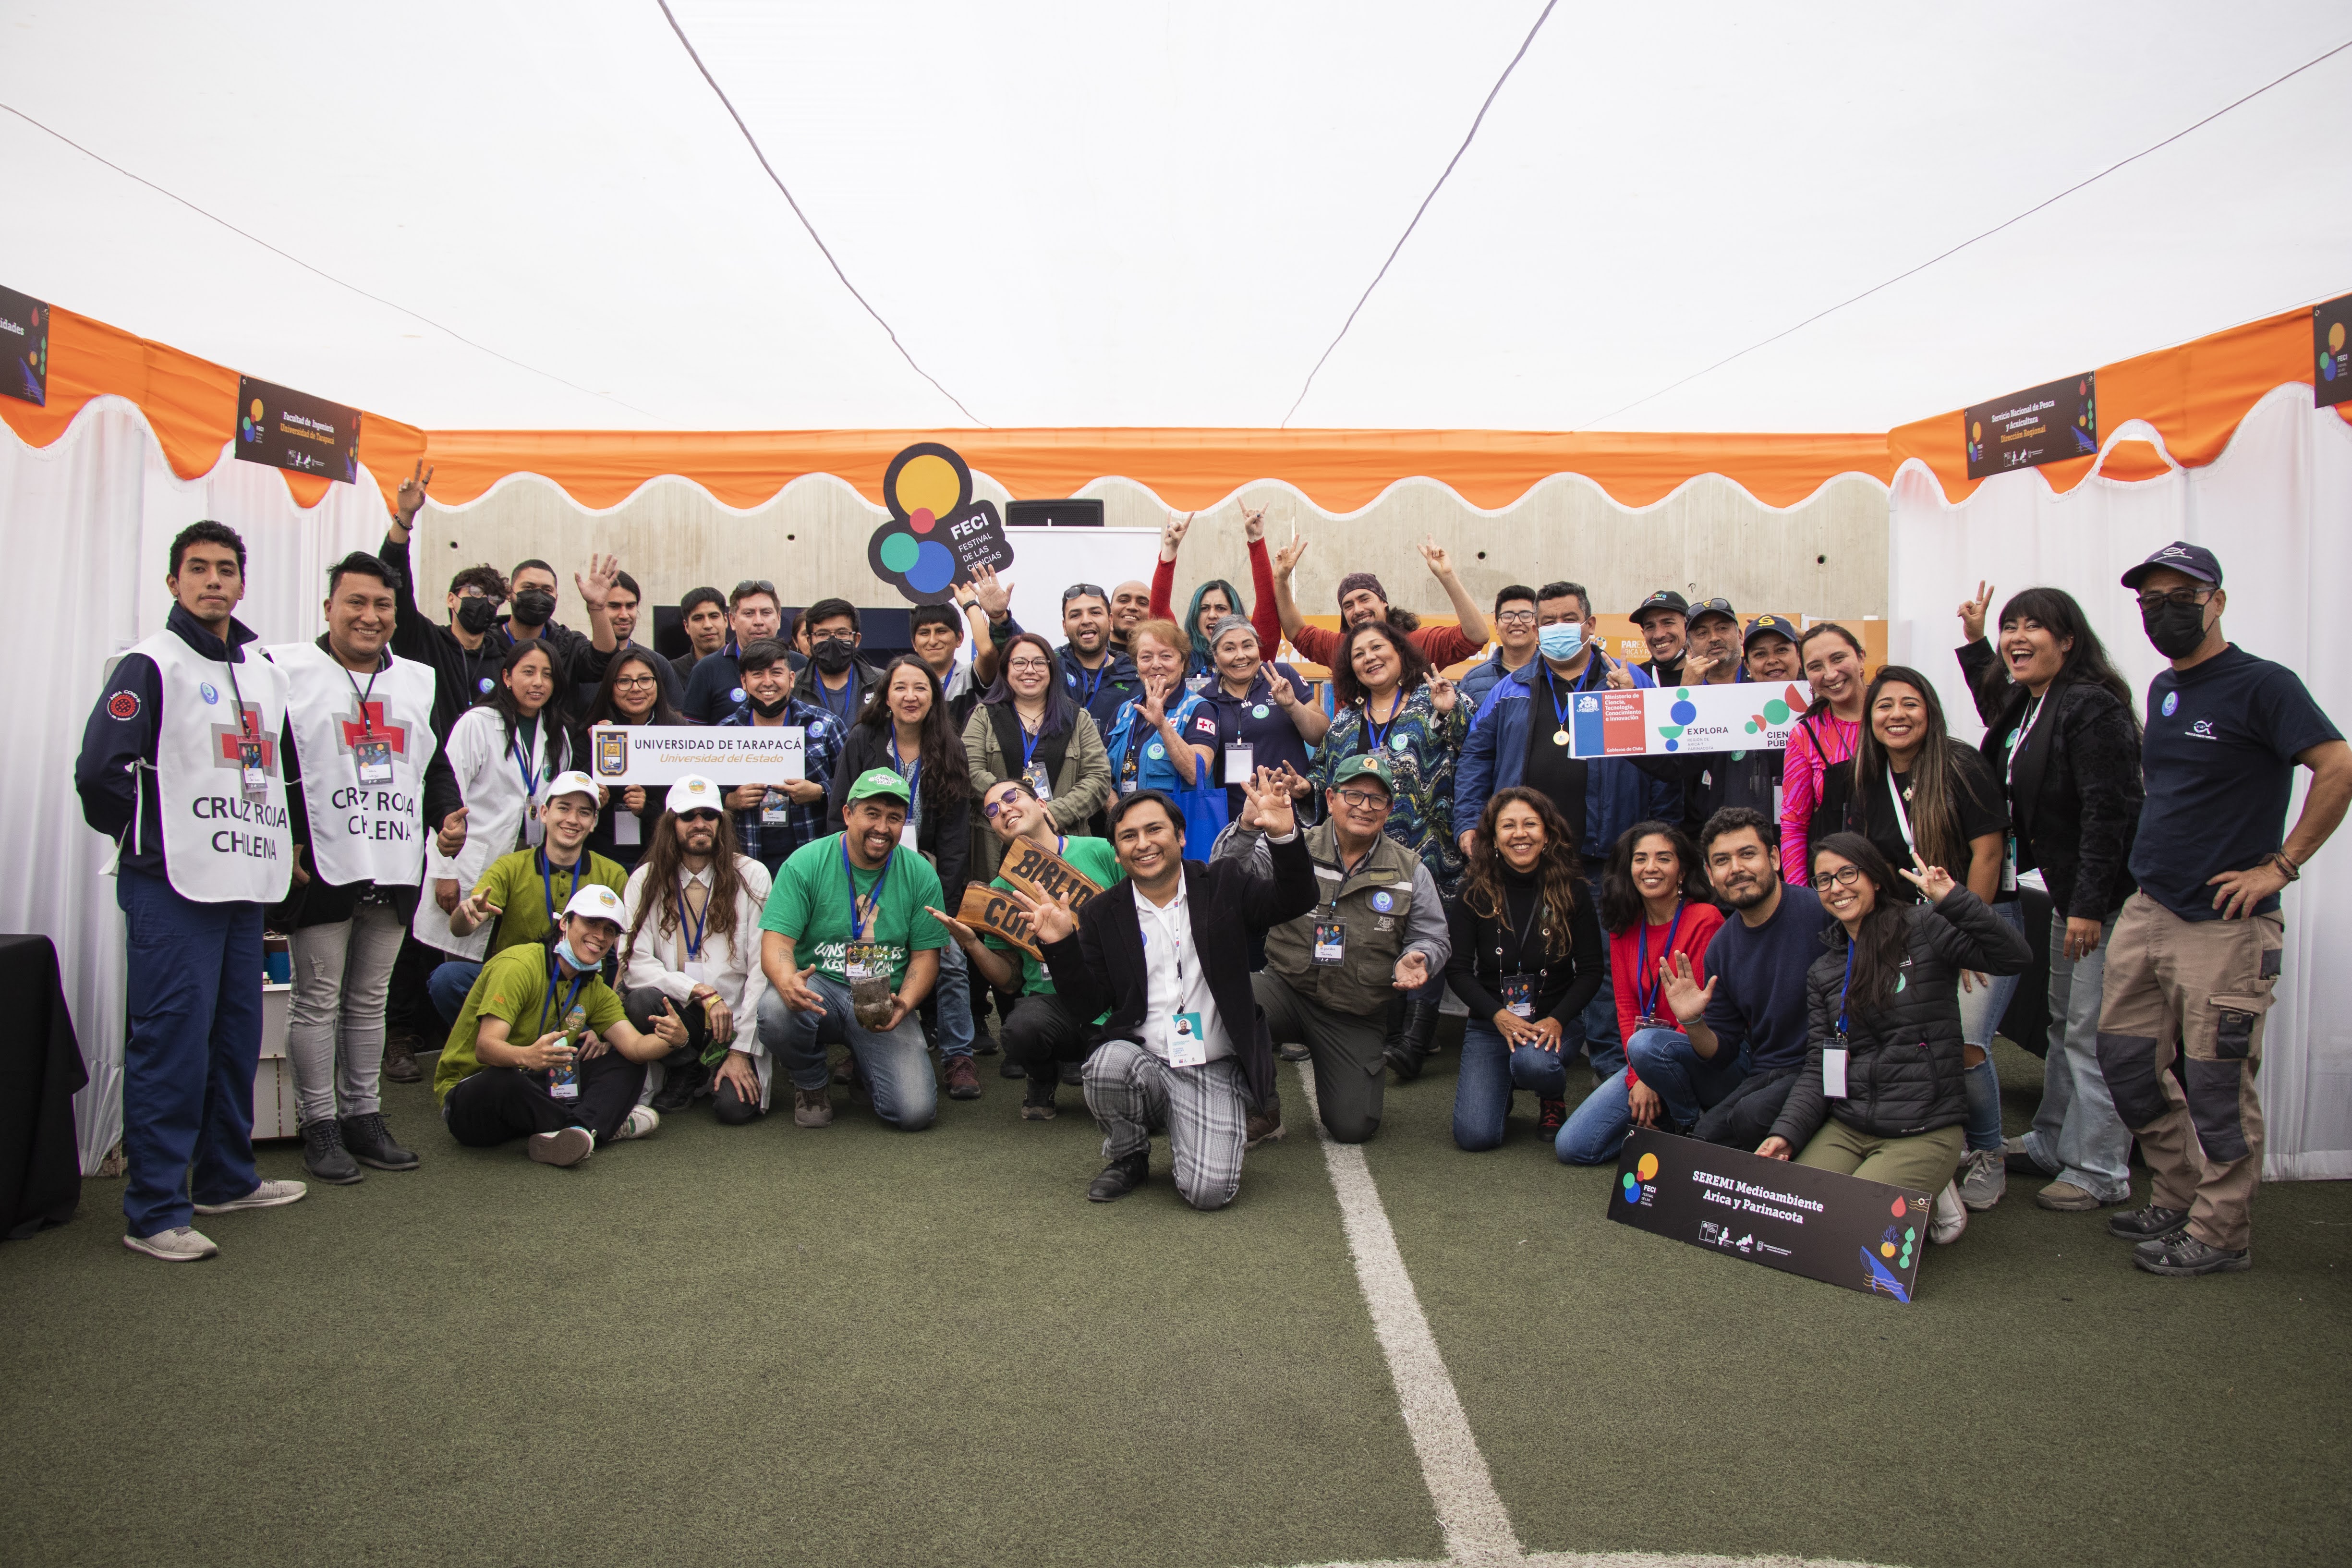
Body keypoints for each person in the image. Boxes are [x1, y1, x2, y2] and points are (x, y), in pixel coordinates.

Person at [2096, 542, 2349, 1276]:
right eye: (2150, 601)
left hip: (2224, 925)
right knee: (2125, 1062)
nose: (2163, 611)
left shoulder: (2264, 686)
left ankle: (2219, 1231)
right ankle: (2175, 1194)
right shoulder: (2161, 689)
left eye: (2181, 596)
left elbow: (2336, 765)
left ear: (2217, 601)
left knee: (2215, 1084)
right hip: (2149, 908)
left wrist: (2281, 865)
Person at [77, 519, 305, 1261]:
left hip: (243, 887)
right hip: (172, 887)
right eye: (198, 568)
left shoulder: (264, 670)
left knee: (234, 1040)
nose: (214, 581)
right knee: (171, 1045)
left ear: (243, 581)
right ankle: (153, 1210)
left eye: (227, 569)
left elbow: (276, 774)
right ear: (174, 581)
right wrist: (156, 844)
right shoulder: (151, 663)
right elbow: (100, 775)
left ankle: (226, 1178)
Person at [1019, 776, 1318, 1208]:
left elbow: (1296, 898)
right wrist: (1060, 945)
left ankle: (1193, 1123)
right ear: (1118, 853)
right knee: (1105, 1064)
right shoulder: (1102, 912)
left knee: (1209, 1193)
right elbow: (1089, 1005)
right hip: (1145, 1058)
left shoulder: (1223, 882)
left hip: (1212, 1065)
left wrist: (1284, 836)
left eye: (1154, 829)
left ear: (1179, 836)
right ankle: (1130, 1155)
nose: (1143, 843)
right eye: (1128, 836)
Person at [271, 551, 463, 1185]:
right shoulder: (288, 670)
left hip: (391, 856)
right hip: (323, 861)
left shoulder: (414, 679)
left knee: (369, 997)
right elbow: (266, 759)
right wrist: (288, 836)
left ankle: (364, 1115)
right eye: (356, 602)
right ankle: (319, 1123)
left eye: (382, 605)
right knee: (317, 998)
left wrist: (446, 814)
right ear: (329, 607)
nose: (369, 616)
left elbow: (432, 761)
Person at [1953, 583, 2145, 1213]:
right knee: (2064, 1025)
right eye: (2012, 627)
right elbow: (1998, 717)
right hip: (2069, 894)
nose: (2017, 638)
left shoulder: (2091, 708)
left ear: (2068, 639)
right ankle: (2051, 1140)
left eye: (2032, 627)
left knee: (2091, 1034)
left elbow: (2108, 815)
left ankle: (2099, 1170)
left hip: (2102, 900)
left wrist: (2088, 905)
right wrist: (1975, 639)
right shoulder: (2036, 700)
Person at [1453, 580, 1676, 1089]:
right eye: (1546, 620)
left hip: (1607, 856)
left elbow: (1665, 765)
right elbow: (1475, 758)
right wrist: (1468, 823)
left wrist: (1658, 836)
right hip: (1526, 859)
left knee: (1605, 973)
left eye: (1566, 618)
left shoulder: (1626, 678)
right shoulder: (1509, 687)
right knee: (1534, 956)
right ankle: (1541, 1060)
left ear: (1590, 624)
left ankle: (1614, 1079)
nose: (1555, 629)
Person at [1759, 834, 2032, 1245]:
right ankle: (1929, 1190)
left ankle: (1935, 1187)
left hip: (1923, 1126)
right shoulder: (1825, 970)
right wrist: (1786, 1133)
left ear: (1875, 878)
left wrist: (1954, 899)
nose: (1837, 887)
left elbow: (2014, 956)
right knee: (1793, 1216)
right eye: (1824, 880)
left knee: (1854, 1233)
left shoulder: (1924, 928)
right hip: (1849, 1125)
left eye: (1847, 873)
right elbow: (1819, 1066)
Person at [1847, 665, 2015, 1210]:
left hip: (1975, 921)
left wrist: (1968, 926)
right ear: (1869, 718)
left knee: (1964, 1046)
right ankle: (1943, 1145)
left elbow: (1988, 853)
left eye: (1909, 703)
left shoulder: (1961, 765)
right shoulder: (1867, 778)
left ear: (1930, 710)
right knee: (1915, 1044)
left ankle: (1990, 1151)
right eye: (1884, 706)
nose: (1896, 715)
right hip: (1908, 933)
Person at [1221, 754, 1449, 1144]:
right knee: (1223, 1004)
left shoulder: (1412, 870)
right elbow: (1224, 881)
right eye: (1353, 794)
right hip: (1286, 988)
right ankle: (1263, 1106)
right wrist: (1245, 827)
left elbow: (1433, 935)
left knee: (1353, 1127)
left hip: (1355, 1011)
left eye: (1377, 799)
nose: (1364, 806)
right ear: (1330, 797)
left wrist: (1420, 956)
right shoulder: (1292, 845)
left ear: (1390, 809)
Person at [434, 884, 683, 1165]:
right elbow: (485, 1048)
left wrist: (675, 1039)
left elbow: (636, 1047)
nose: (600, 937)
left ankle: (574, 1134)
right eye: (591, 923)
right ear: (565, 923)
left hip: (537, 1090)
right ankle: (595, 1128)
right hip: (475, 1099)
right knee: (504, 1079)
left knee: (624, 1060)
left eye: (610, 930)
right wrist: (527, 1055)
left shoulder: (594, 986)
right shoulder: (520, 965)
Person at [757, 768, 948, 1131]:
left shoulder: (920, 873)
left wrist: (905, 1002)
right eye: (872, 814)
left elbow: (926, 956)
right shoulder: (806, 862)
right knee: (775, 1009)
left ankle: (865, 1066)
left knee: (914, 1113)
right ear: (848, 814)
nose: (882, 827)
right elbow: (777, 941)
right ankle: (811, 1082)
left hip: (881, 992)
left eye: (894, 818)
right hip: (820, 987)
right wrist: (786, 980)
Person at [1315, 619, 1467, 1079]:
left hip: (1430, 846)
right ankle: (1390, 1034)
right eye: (1358, 653)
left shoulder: (1433, 698)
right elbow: (1324, 776)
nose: (1369, 658)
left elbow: (1474, 747)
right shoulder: (1344, 719)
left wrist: (1452, 711)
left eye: (1378, 648)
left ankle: (1416, 1042)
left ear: (1401, 652)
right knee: (1380, 932)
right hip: (1366, 854)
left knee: (1425, 933)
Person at [925, 778, 1124, 1119]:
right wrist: (973, 944)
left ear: (1043, 805)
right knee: (1019, 1031)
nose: (1003, 809)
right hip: (1053, 1007)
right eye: (992, 810)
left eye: (1010, 797)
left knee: (1121, 1094)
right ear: (996, 832)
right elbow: (1008, 981)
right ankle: (1043, 1076)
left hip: (1116, 1000)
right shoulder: (1000, 890)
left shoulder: (1100, 852)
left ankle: (1100, 1061)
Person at [829, 655, 980, 1097]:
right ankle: (863, 1046)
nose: (910, 696)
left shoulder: (950, 747)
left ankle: (958, 1055)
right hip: (868, 873)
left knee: (949, 957)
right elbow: (840, 812)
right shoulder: (862, 740)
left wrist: (948, 907)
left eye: (921, 688)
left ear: (934, 697)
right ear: (886, 695)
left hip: (924, 877)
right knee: (866, 952)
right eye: (901, 687)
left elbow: (955, 839)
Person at [1556, 821, 1725, 1165]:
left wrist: (1650, 1071)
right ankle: (1663, 1120)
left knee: (1649, 1047)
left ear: (1682, 871)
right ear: (1628, 868)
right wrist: (1638, 1077)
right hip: (1645, 1055)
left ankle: (1692, 1128)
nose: (1650, 867)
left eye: (1664, 858)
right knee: (1573, 1146)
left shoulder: (1705, 918)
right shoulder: (1624, 924)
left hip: (1696, 1050)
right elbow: (1625, 1005)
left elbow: (1703, 1011)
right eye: (1640, 859)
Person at [1445, 789, 1605, 1151]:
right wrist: (1498, 1015)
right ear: (1494, 838)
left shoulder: (1572, 889)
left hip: (1551, 1024)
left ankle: (1552, 1096)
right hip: (1492, 1025)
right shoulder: (1473, 889)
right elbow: (1457, 970)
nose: (1521, 834)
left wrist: (1559, 1019)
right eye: (1509, 825)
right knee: (1476, 1137)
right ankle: (1504, 1084)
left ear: (1547, 833)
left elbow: (1592, 970)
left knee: (1534, 1063)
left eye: (1530, 824)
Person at [1676, 807, 1836, 1150]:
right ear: (1709, 873)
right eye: (1722, 861)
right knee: (1704, 1138)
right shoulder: (1721, 948)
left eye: (1747, 854)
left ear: (1775, 857)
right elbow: (1721, 1053)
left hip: (1831, 1066)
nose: (1736, 869)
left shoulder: (1823, 912)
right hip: (1768, 1073)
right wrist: (1692, 1020)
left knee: (1751, 1116)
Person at [415, 639, 574, 978]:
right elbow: (446, 798)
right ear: (506, 676)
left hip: (528, 869)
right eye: (528, 672)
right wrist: (444, 871)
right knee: (464, 967)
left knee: (515, 968)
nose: (538, 683)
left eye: (547, 675)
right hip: (474, 862)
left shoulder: (557, 733)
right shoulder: (478, 724)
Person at [618, 776, 774, 1117]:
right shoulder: (645, 879)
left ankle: (723, 1063)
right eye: (689, 815)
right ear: (671, 823)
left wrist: (741, 1051)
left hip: (732, 1021)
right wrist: (699, 991)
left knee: (736, 1110)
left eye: (710, 814)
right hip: (679, 1013)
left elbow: (763, 967)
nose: (700, 823)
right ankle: (684, 1065)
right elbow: (634, 962)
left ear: (722, 822)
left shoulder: (752, 875)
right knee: (642, 999)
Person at [431, 770, 629, 1021]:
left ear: (594, 823)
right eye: (564, 808)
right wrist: (466, 913)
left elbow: (626, 953)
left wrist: (611, 1017)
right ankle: (493, 1047)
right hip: (515, 984)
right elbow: (460, 929)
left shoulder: (613, 874)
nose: (573, 820)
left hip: (579, 995)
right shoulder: (510, 866)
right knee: (448, 979)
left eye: (584, 813)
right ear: (545, 813)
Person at [962, 630, 1113, 882]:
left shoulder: (1078, 718)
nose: (1029, 670)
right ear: (1006, 670)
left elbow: (1098, 779)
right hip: (997, 845)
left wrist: (1051, 813)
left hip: (1066, 839)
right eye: (1019, 662)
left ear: (1052, 670)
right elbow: (969, 770)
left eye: (1039, 662)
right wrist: (1013, 806)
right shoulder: (985, 716)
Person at [378, 462, 510, 740]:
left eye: (493, 599)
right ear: (452, 599)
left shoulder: (504, 658)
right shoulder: (424, 642)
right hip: (435, 770)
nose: (484, 603)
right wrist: (405, 517)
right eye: (474, 593)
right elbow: (394, 580)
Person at [1271, 534, 1491, 674]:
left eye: (1365, 599)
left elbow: (1476, 636)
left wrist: (1447, 576)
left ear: (1384, 602)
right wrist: (1280, 581)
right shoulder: (1340, 648)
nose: (1358, 610)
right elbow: (1297, 632)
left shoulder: (1417, 644)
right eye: (1348, 605)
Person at [718, 638, 845, 876]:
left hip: (813, 860)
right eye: (757, 674)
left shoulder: (825, 725)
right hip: (746, 862)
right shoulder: (725, 732)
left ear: (792, 678)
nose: (768, 682)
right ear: (744, 682)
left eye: (776, 672)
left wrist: (819, 792)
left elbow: (855, 783)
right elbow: (704, 791)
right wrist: (730, 801)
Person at [973, 572, 1140, 734]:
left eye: (1095, 613)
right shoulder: (1051, 665)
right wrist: (999, 617)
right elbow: (1021, 649)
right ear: (1065, 627)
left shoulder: (1135, 676)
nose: (1086, 620)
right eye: (1075, 615)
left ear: (1110, 621)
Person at [1197, 613, 1326, 822]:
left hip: (1291, 812)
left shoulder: (1281, 676)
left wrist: (1292, 706)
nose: (1241, 656)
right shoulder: (1204, 700)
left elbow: (1321, 736)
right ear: (1215, 654)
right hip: (1236, 821)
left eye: (1248, 646)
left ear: (1258, 647)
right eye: (1229, 649)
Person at [1681, 610, 1799, 838]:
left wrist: (1813, 637)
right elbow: (1676, 763)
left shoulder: (1817, 706)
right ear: (1749, 665)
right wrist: (1685, 696)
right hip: (1742, 843)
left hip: (1802, 838)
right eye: (1760, 654)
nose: (1772, 660)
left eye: (1782, 650)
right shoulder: (1722, 710)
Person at [1104, 618, 1225, 828]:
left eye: (1166, 656)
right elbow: (1100, 775)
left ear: (1182, 662)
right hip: (1130, 829)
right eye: (1146, 657)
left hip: (1180, 830)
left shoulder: (1199, 709)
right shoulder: (1124, 711)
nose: (1156, 664)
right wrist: (1120, 816)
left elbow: (1196, 772)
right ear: (1137, 665)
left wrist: (1162, 724)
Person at [1148, 507, 1281, 685]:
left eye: (1221, 608)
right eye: (1204, 609)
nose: (1212, 615)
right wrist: (1170, 550)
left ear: (1235, 614)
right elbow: (1158, 616)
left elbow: (1267, 605)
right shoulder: (1179, 657)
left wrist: (1256, 540)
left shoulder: (1252, 653)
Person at [579, 646, 684, 872]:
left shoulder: (678, 732)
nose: (636, 689)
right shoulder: (592, 730)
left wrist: (648, 808)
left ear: (658, 684)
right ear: (610, 687)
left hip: (660, 855)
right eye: (624, 681)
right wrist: (594, 789)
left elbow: (688, 799)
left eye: (645, 680)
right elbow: (573, 791)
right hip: (602, 854)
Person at [1781, 622, 1868, 883]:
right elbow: (1795, 823)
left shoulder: (1893, 717)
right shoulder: (1806, 735)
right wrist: (1801, 895)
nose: (1830, 674)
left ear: (1861, 657)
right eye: (1816, 667)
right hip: (1840, 880)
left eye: (1838, 658)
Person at [577, 560, 686, 713]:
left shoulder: (657, 663)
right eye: (614, 606)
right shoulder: (579, 663)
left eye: (630, 606)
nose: (624, 615)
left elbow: (677, 720)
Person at [683, 579, 786, 724]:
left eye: (766, 613)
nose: (758, 621)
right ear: (732, 620)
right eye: (749, 613)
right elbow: (693, 736)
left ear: (779, 619)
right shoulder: (706, 669)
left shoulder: (800, 665)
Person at [792, 596, 885, 730]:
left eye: (842, 633)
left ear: (857, 639)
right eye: (823, 634)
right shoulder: (793, 688)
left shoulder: (883, 683)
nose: (833, 641)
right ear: (809, 640)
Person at [1458, 585, 1538, 714]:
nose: (1517, 622)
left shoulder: (1552, 671)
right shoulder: (1472, 681)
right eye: (1508, 616)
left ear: (1538, 624)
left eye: (1525, 615)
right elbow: (1464, 730)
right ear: (1496, 627)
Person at [906, 599, 982, 728]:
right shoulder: (902, 685)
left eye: (941, 631)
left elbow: (987, 653)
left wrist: (971, 605)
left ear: (959, 638)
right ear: (914, 643)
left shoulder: (970, 676)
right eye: (924, 633)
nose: (933, 641)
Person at [1630, 589, 1690, 684]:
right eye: (1650, 627)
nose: (1658, 635)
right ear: (1643, 633)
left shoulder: (1712, 674)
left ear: (1687, 627)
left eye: (1668, 623)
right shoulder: (1633, 679)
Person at [674, 585, 730, 685]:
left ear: (726, 621)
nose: (708, 625)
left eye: (714, 616)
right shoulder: (672, 672)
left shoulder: (746, 666)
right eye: (698, 618)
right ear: (687, 626)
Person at [1108, 580, 1153, 655]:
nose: (1132, 607)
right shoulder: (1087, 654)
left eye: (1142, 603)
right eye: (1124, 600)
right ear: (1109, 609)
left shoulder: (1160, 660)